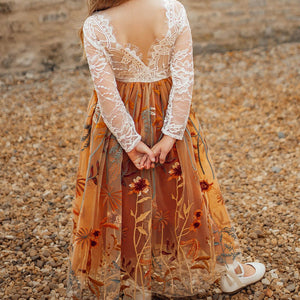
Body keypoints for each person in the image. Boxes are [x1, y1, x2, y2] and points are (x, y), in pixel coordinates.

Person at [67, 0, 265, 299]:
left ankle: (132, 282)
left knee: (123, 193)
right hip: (168, 114)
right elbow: (184, 79)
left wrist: (132, 144)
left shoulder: (96, 24)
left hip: (120, 125)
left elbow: (107, 96)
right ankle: (226, 271)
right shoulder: (173, 9)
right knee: (187, 188)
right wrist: (171, 135)